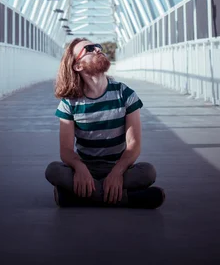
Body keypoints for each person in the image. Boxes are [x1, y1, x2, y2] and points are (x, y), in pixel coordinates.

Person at [45, 37, 165, 208]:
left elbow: (134, 145)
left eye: (97, 46)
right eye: (89, 49)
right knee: (53, 170)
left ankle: (76, 197)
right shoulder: (69, 103)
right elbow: (65, 150)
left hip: (119, 166)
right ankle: (127, 199)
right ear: (78, 66)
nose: (97, 49)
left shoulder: (125, 94)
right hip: (86, 169)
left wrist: (117, 172)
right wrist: (79, 168)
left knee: (147, 172)